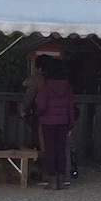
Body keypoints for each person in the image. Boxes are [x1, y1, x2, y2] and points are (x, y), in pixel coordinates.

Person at [35, 56, 76, 190]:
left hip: (48, 121)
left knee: (50, 150)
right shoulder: (68, 86)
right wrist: (71, 124)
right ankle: (61, 180)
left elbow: (41, 105)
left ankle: (52, 180)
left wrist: (38, 114)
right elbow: (71, 107)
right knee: (61, 151)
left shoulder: (46, 86)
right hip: (63, 122)